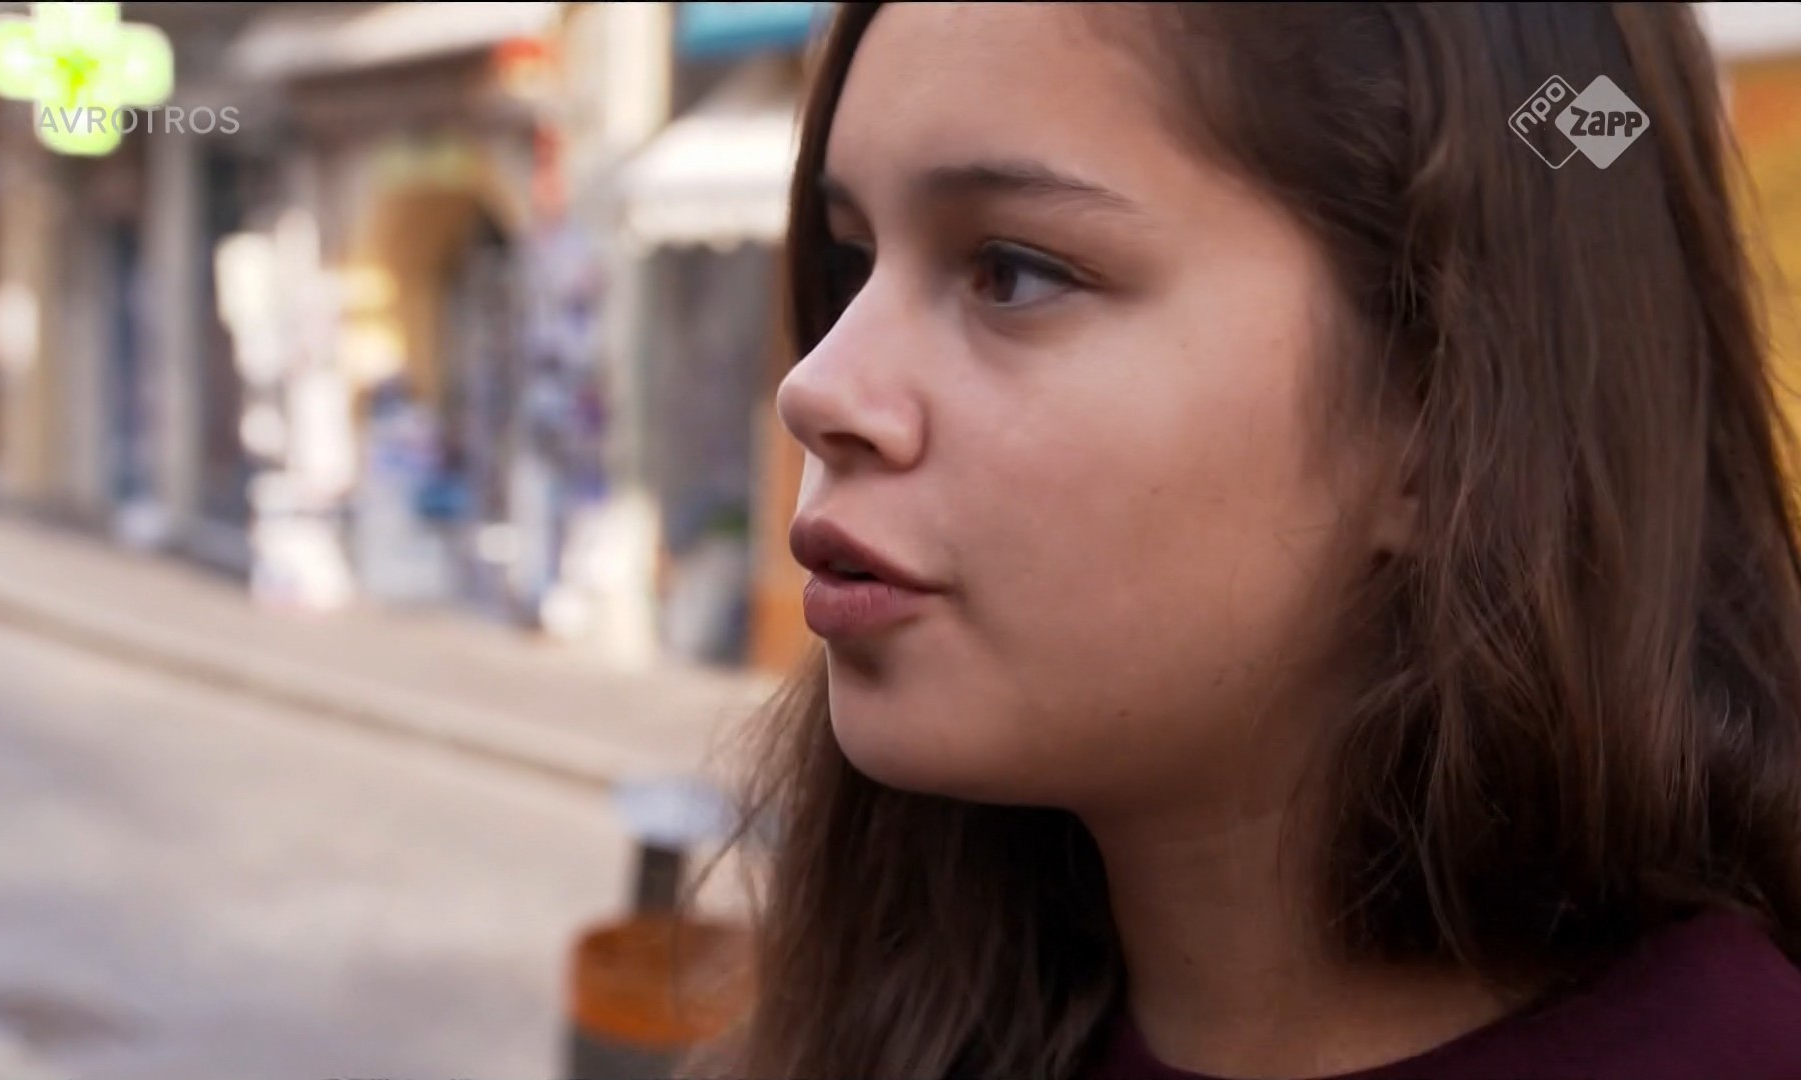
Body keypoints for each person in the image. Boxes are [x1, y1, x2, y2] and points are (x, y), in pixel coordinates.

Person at [690, 3, 1801, 1078]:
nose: (817, 386)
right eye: (850, 264)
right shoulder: (894, 1012)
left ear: (1440, 412)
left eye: (1013, 271)